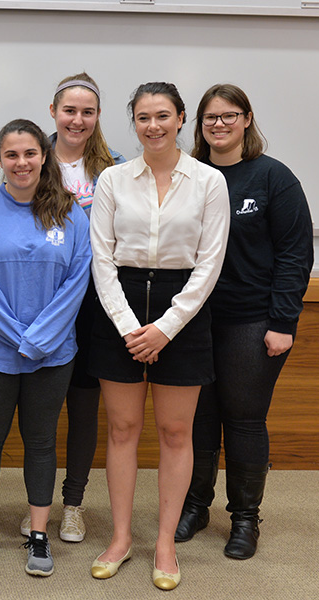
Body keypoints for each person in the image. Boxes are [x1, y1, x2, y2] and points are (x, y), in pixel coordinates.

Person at [88, 82, 229, 591]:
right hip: (120, 306)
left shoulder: (209, 180)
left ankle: (165, 543)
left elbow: (210, 263)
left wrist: (166, 328)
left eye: (163, 116)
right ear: (134, 121)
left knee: (175, 433)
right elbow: (101, 259)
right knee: (122, 430)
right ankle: (122, 538)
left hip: (182, 310)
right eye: (144, 117)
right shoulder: (112, 178)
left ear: (180, 118)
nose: (153, 126)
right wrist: (130, 328)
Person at [174, 84, 313, 560]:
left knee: (244, 420)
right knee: (199, 420)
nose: (218, 124)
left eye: (228, 115)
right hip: (193, 318)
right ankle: (195, 506)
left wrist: (283, 320)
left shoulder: (273, 178)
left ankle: (245, 519)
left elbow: (296, 254)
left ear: (247, 119)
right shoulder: (187, 176)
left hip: (253, 321)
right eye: (210, 117)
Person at [0, 119, 91, 576]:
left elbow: (76, 283)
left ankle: (38, 534)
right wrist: (18, 337)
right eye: (11, 155)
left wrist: (38, 339)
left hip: (52, 355)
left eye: (30, 154)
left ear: (43, 157)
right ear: (0, 160)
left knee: (40, 442)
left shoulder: (70, 213)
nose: (21, 163)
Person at [17, 73, 126, 542]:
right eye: (69, 110)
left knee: (83, 410)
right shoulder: (30, 162)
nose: (77, 119)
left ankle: (74, 503)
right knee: (39, 414)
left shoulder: (117, 168)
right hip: (42, 304)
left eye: (87, 111)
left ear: (97, 117)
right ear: (53, 112)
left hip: (94, 307)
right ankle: (36, 503)